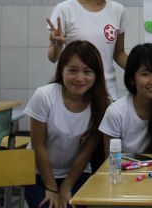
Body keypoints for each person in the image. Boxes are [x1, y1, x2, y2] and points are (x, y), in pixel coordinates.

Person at [24, 40, 108, 208]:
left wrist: (67, 186)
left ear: (96, 75)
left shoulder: (101, 105)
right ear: (62, 70)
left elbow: (86, 151)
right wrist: (51, 187)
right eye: (72, 70)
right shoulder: (44, 96)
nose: (79, 78)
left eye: (87, 71)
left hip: (76, 174)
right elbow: (38, 146)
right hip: (39, 173)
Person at [47, 0, 127, 100]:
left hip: (107, 90)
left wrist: (144, 71)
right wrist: (57, 46)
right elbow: (52, 57)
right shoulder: (64, 9)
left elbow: (119, 54)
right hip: (75, 88)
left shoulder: (118, 10)